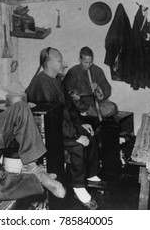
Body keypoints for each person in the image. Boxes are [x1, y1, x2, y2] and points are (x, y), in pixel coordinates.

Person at [25, 47, 106, 210]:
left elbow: (69, 108)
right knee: (78, 144)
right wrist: (76, 135)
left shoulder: (56, 80)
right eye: (60, 60)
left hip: (60, 127)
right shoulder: (41, 84)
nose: (64, 63)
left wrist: (81, 125)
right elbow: (52, 121)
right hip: (47, 133)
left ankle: (90, 174)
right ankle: (78, 187)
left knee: (89, 133)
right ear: (48, 62)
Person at [63, 46, 117, 118]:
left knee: (112, 108)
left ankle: (88, 112)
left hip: (95, 102)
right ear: (80, 59)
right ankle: (90, 112)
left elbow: (107, 89)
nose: (88, 65)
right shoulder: (73, 71)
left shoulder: (97, 70)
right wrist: (73, 93)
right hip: (80, 102)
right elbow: (65, 89)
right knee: (73, 107)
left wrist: (98, 88)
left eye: (90, 62)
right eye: (85, 62)